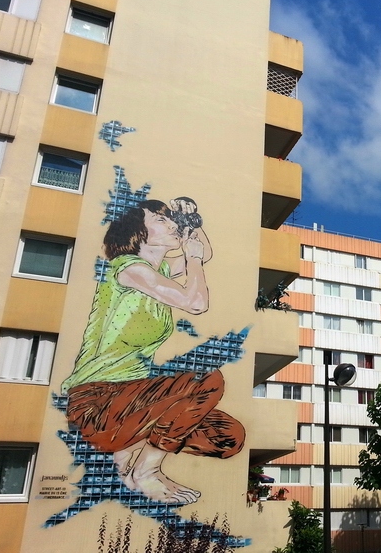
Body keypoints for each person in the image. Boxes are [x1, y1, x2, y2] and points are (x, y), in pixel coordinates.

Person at [62, 199, 244, 504]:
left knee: (228, 436)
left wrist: (193, 222)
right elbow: (196, 302)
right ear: (138, 233)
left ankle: (126, 451)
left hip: (134, 402)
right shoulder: (128, 269)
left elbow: (205, 252)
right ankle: (145, 472)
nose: (172, 224)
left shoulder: (158, 270)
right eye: (161, 220)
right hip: (95, 403)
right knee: (205, 379)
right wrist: (194, 260)